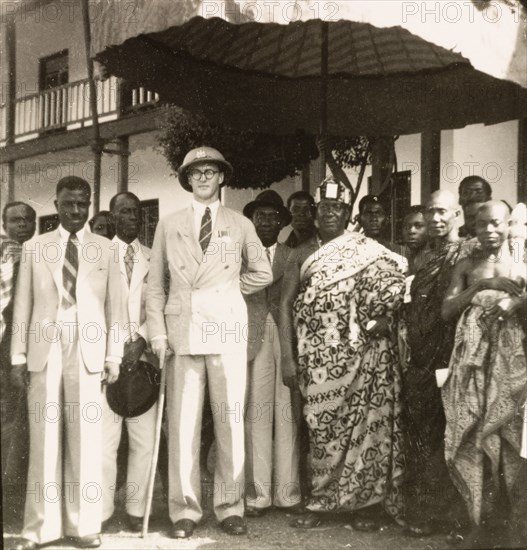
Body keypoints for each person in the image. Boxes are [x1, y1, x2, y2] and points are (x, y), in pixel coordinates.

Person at [146, 146, 273, 539]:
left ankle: (230, 507)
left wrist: (227, 291)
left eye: (210, 171)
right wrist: (158, 333)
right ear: (188, 180)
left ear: (221, 178)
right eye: (196, 172)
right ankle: (184, 510)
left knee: (230, 421)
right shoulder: (168, 224)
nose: (203, 177)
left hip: (226, 330)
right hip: (181, 331)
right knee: (183, 425)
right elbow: (155, 286)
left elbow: (263, 271)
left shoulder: (239, 224)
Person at [280, 177, 406, 531]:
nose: (331, 213)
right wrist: (288, 359)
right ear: (316, 216)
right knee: (321, 430)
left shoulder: (369, 249)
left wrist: (383, 316)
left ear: (348, 214)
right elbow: (285, 304)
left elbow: (396, 287)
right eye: (325, 208)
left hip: (365, 356)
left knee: (368, 427)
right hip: (318, 363)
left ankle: (366, 504)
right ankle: (321, 502)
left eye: (338, 208)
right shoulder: (302, 252)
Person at [9, 176, 123, 550]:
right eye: (69, 203)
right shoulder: (35, 248)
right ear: (56, 205)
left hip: (89, 346)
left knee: (85, 438)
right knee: (43, 437)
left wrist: (113, 355)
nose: (76, 211)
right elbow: (22, 306)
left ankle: (84, 524)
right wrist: (18, 357)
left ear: (89, 205)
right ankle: (39, 528)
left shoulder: (106, 249)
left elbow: (116, 309)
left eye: (83, 203)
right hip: (45, 343)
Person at [441, 201, 527, 547]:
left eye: (496, 223)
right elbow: (447, 311)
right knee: (472, 438)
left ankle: (511, 528)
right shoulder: (465, 266)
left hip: (509, 367)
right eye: (481, 225)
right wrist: (480, 288)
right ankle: (478, 524)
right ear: (472, 228)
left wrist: (517, 302)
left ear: (508, 225)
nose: (489, 230)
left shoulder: (521, 266)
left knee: (507, 441)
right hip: (471, 367)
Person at [404, 189, 471, 539]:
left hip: (453, 358)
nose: (435, 218)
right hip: (421, 360)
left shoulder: (468, 252)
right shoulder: (422, 258)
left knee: (454, 437)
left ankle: (457, 517)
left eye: (443, 211)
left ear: (457, 214)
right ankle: (428, 512)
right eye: (431, 212)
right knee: (425, 438)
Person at [242, 190, 302, 516]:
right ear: (251, 221)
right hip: (253, 336)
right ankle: (258, 495)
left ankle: (288, 493)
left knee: (287, 412)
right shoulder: (241, 254)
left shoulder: (292, 255)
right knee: (258, 414)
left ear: (281, 222)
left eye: (272, 217)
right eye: (260, 216)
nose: (266, 221)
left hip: (284, 334)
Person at [101, 192, 158, 532]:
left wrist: (143, 339)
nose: (132, 216)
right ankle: (103, 512)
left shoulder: (154, 257)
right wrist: (117, 346)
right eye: (124, 211)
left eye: (136, 211)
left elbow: (161, 304)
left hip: (144, 357)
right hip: (107, 358)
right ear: (112, 216)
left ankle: (137, 511)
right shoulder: (98, 256)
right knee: (105, 442)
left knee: (144, 440)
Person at [0, 202, 36, 528]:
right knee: (8, 425)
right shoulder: (4, 258)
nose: (22, 225)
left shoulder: (39, 255)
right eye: (15, 220)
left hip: (33, 352)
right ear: (4, 223)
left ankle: (20, 502)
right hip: (4, 351)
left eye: (27, 220)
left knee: (27, 430)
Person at [401, 205, 428, 274]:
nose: (411, 231)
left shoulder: (436, 259)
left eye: (418, 226)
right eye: (407, 227)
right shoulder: (399, 258)